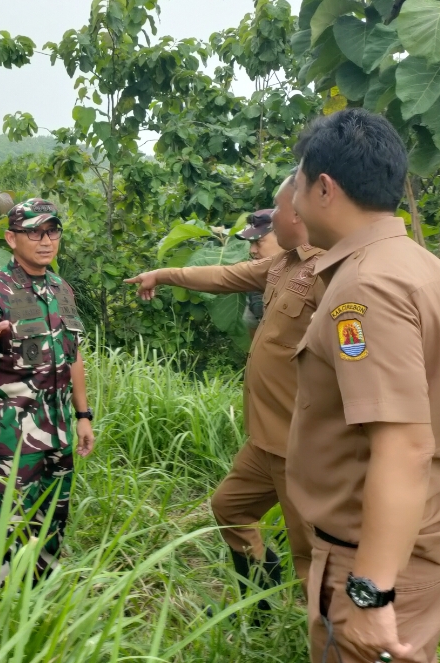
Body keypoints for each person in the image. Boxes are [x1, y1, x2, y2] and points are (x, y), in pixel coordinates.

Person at [287, 108, 440, 663]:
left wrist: (371, 592)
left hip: (375, 555)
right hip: (422, 536)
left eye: (298, 185)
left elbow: (405, 444)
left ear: (325, 188)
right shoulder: (425, 268)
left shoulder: (365, 288)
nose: (294, 202)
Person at [125, 185, 322, 608]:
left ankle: (335, 642)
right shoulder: (280, 265)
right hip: (264, 438)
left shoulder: (333, 271)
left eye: (284, 209)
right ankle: (261, 598)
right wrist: (163, 275)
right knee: (228, 509)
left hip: (300, 445)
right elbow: (221, 277)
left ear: (300, 216)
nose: (253, 239)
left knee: (314, 558)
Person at [0, 198, 96, 582]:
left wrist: (83, 416)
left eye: (52, 231)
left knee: (54, 511)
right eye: (33, 232)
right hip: (12, 432)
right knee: (7, 516)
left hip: (58, 426)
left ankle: (39, 588)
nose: (45, 240)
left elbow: (74, 355)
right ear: (11, 239)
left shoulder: (60, 288)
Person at [235, 210, 281, 340]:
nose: (252, 250)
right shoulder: (256, 275)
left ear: (283, 235)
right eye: (250, 243)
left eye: (259, 242)